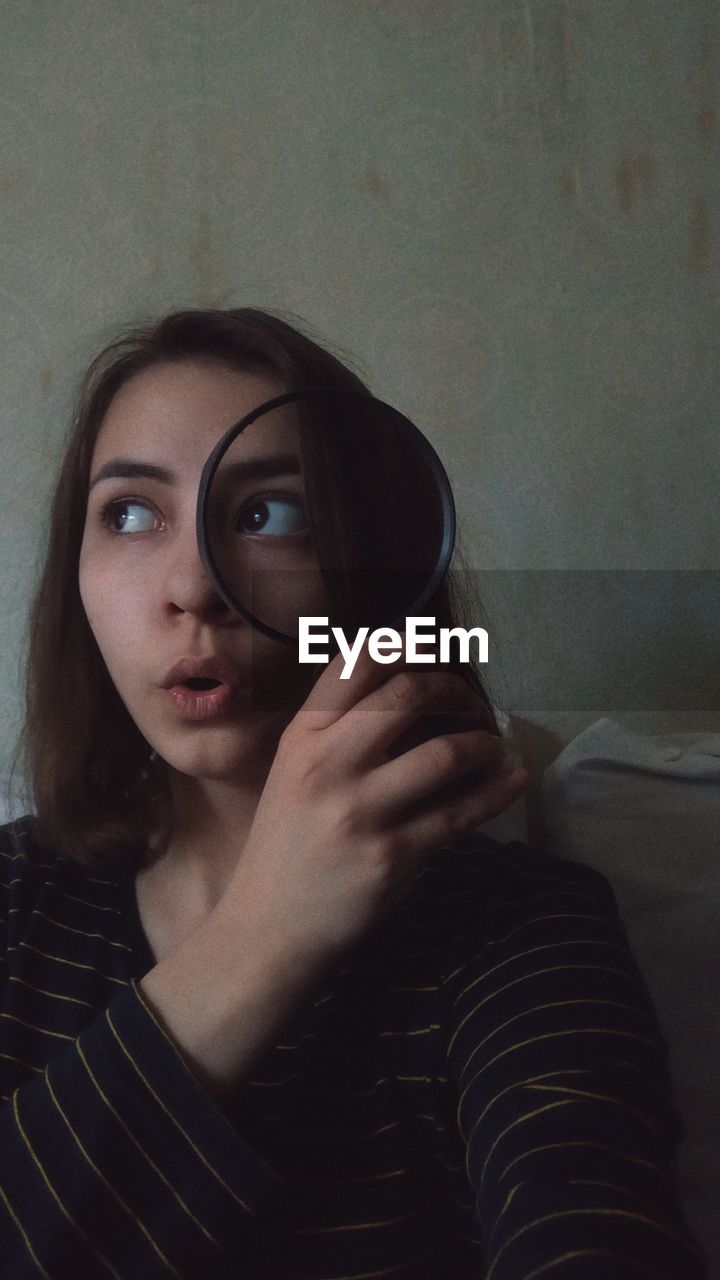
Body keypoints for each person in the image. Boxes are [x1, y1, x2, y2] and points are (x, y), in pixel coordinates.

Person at [0, 308, 706, 1279]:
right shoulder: (12, 904)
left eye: (267, 513)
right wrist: (272, 925)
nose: (194, 586)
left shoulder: (518, 929)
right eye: (129, 511)